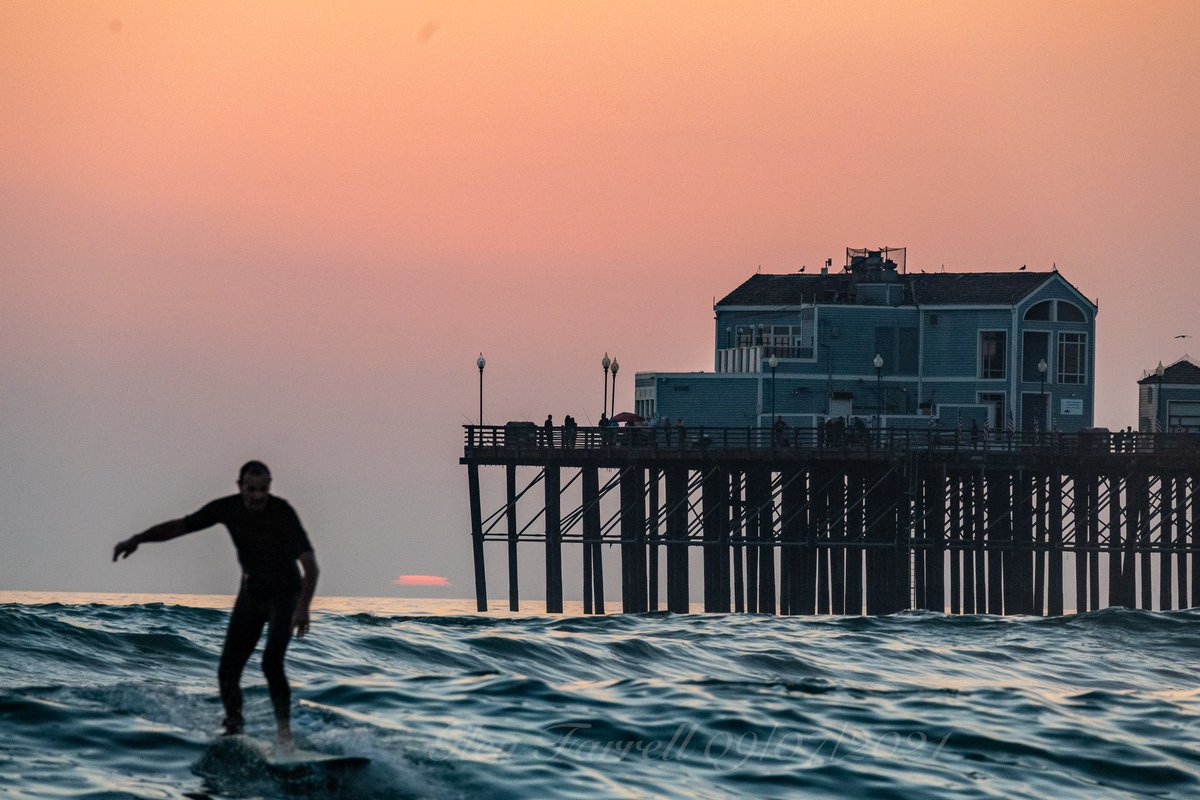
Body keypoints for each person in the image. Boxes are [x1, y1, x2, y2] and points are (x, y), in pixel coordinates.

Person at [112, 461, 318, 750]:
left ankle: (284, 734)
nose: (257, 496)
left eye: (262, 490)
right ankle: (234, 727)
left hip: (285, 595)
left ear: (270, 487)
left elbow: (311, 567)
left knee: (271, 662)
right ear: (240, 486)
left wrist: (303, 608)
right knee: (227, 670)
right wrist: (137, 539)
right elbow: (180, 526)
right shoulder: (227, 508)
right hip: (252, 594)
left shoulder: (282, 512)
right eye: (251, 489)